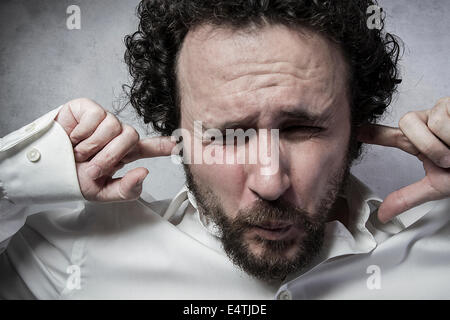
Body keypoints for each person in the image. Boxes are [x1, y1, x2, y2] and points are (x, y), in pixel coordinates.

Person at [0, 0, 448, 299]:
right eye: (226, 134)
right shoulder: (68, 255)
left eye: (301, 128)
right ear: (176, 133)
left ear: (357, 125)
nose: (270, 183)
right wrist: (28, 173)